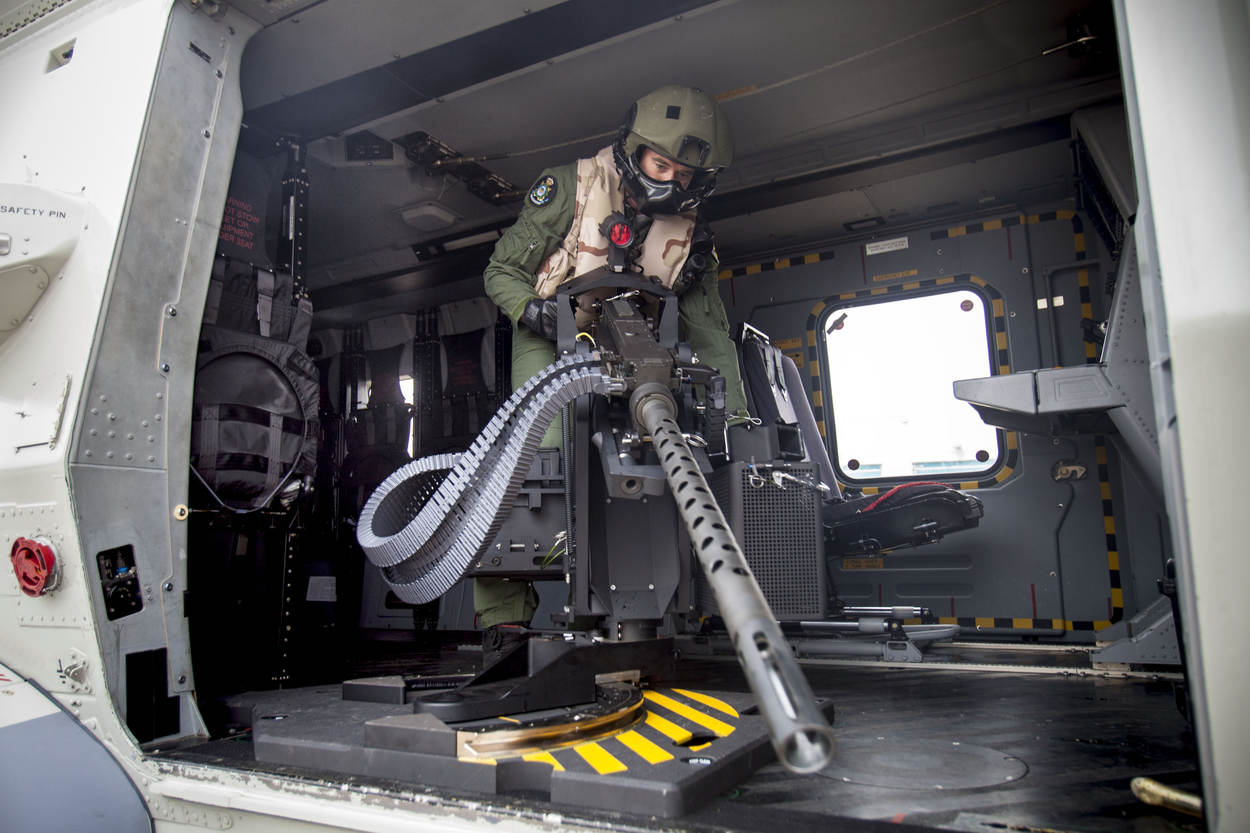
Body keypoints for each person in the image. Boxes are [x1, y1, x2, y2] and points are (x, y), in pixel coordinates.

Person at [477, 84, 749, 661]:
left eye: (683, 175)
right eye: (660, 164)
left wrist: (738, 425)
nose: (669, 181)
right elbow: (501, 270)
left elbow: (709, 332)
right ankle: (504, 621)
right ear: (634, 150)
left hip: (642, 347)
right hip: (550, 334)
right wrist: (532, 308)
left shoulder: (693, 237)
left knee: (671, 449)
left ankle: (664, 601)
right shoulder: (569, 187)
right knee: (538, 455)